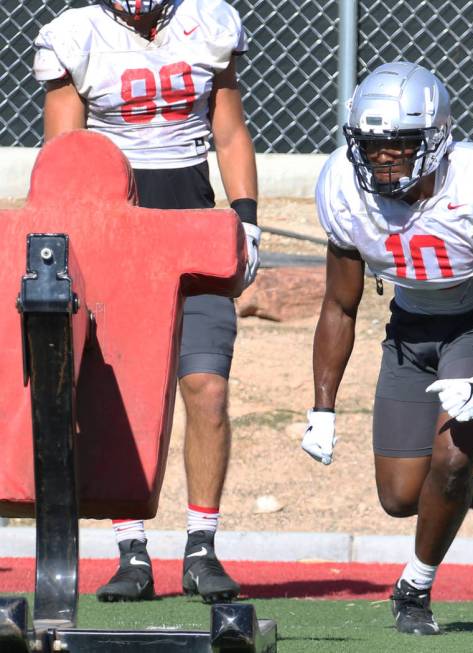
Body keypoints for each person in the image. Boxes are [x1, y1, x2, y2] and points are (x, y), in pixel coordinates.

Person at [301, 62, 473, 635]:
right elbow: (339, 306)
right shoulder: (344, 190)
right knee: (400, 496)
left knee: (451, 458)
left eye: (400, 144)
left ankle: (414, 588)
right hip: (411, 330)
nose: (384, 158)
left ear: (436, 138)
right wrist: (322, 406)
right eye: (372, 145)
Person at [33, 0, 260, 603]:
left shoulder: (208, 20)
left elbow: (229, 131)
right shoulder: (75, 33)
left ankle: (201, 547)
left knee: (207, 386)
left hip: (191, 222)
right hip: (116, 232)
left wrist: (247, 218)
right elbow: (65, 156)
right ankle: (132, 552)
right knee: (118, 394)